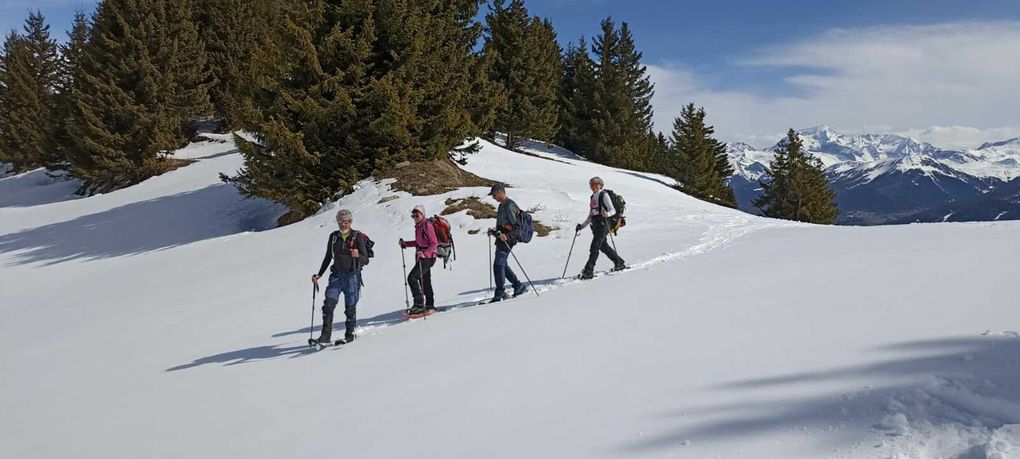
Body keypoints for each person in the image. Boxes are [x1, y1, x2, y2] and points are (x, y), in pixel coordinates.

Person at [311, 209, 370, 344]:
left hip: (352, 277)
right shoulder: (333, 237)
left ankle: (349, 335)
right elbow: (328, 257)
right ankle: (325, 337)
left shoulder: (357, 236)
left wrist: (358, 256)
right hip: (336, 276)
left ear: (350, 221)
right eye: (340, 221)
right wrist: (319, 274)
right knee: (328, 305)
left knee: (350, 308)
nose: (343, 224)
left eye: (346, 221)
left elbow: (366, 260)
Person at [575, 176, 626, 280]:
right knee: (603, 246)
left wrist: (606, 214)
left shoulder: (604, 194)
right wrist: (582, 226)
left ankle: (588, 271)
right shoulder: (593, 196)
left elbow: (613, 211)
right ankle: (619, 262)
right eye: (592, 184)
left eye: (597, 184)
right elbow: (591, 215)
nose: (594, 186)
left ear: (601, 185)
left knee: (594, 247)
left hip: (604, 223)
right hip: (595, 224)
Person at [487, 185, 528, 302]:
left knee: (498, 265)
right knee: (502, 264)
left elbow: (517, 227)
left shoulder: (509, 205)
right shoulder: (502, 205)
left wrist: (507, 236)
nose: (493, 198)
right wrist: (494, 232)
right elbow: (503, 226)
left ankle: (499, 293)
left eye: (494, 195)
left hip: (508, 240)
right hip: (502, 239)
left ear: (500, 192)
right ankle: (518, 286)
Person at [400, 205, 439, 315]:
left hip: (428, 258)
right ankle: (430, 305)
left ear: (422, 214)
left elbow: (434, 243)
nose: (415, 217)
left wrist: (425, 254)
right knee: (425, 281)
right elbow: (419, 242)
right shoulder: (419, 226)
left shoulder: (427, 225)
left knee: (412, 277)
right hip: (423, 257)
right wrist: (406, 244)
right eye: (413, 215)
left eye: (417, 214)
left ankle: (419, 304)